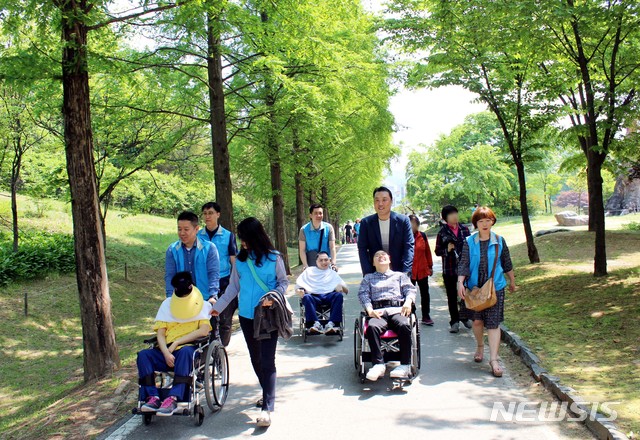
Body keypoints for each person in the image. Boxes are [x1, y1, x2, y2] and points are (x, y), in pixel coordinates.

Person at [211, 217, 289, 428]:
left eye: (245, 238)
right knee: (255, 358)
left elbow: (284, 282)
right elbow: (233, 288)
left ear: (255, 236)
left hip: (268, 316)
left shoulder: (274, 258)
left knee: (267, 360)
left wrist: (273, 297)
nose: (242, 242)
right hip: (246, 316)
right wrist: (216, 308)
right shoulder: (241, 261)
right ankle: (267, 393)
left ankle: (267, 408)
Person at [137, 272, 212, 415]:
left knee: (185, 352)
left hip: (187, 349)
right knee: (143, 355)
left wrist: (177, 342)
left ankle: (173, 398)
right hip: (165, 351)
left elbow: (203, 331)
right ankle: (152, 397)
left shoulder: (202, 304)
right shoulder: (167, 304)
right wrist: (165, 352)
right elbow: (160, 333)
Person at [457, 207, 516, 378]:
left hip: (495, 287)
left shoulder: (499, 240)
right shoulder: (469, 242)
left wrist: (512, 280)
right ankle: (480, 346)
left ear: (492, 221)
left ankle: (494, 360)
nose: (484, 224)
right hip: (475, 289)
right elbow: (464, 263)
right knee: (477, 323)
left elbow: (507, 262)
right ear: (476, 223)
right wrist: (460, 282)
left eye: (488, 220)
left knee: (493, 323)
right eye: (481, 221)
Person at [358, 250, 416, 381]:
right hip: (378, 312)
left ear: (389, 259)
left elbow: (410, 290)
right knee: (372, 327)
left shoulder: (400, 276)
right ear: (373, 263)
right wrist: (369, 309)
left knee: (404, 325)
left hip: (397, 310)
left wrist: (408, 302)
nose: (380, 257)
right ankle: (378, 364)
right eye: (376, 256)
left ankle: (405, 365)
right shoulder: (368, 278)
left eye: (383, 255)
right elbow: (363, 294)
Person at [198, 202, 238, 346]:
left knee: (225, 320)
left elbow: (234, 260)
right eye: (205, 213)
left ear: (218, 215)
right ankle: (209, 350)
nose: (207, 216)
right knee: (208, 319)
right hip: (203, 283)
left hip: (224, 282)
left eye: (210, 213)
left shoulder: (228, 236)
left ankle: (222, 349)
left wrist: (236, 283)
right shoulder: (197, 236)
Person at [357, 186, 414, 276]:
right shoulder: (366, 223)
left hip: (399, 271)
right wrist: (367, 274)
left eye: (384, 200)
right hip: (375, 272)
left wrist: (406, 272)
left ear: (391, 202)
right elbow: (362, 249)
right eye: (377, 200)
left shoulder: (403, 221)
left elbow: (409, 247)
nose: (380, 204)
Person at [165, 211, 220, 304]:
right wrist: (169, 297)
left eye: (186, 229)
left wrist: (213, 296)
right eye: (179, 229)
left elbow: (213, 274)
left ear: (196, 229)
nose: (182, 233)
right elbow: (170, 275)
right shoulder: (172, 250)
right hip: (181, 300)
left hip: (204, 300)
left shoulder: (209, 248)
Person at [434, 205, 471, 333]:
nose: (455, 216)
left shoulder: (464, 230)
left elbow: (471, 247)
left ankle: (464, 316)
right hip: (449, 269)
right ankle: (454, 321)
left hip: (464, 268)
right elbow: (437, 251)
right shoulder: (442, 232)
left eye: (456, 213)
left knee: (465, 294)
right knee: (451, 296)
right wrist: (447, 250)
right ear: (445, 218)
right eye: (451, 214)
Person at [296, 251, 348, 335]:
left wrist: (341, 287)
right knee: (306, 297)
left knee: (339, 296)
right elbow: (298, 286)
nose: (324, 262)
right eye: (321, 260)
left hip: (329, 296)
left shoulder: (332, 273)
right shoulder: (309, 271)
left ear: (329, 261)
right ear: (316, 262)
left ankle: (331, 324)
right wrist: (299, 291)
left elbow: (346, 290)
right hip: (313, 297)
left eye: (326, 260)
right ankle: (315, 324)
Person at [408, 214, 433, 326]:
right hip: (409, 271)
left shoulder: (422, 236)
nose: (412, 226)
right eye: (410, 224)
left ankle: (426, 315)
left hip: (422, 269)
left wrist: (430, 266)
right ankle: (411, 314)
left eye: (414, 224)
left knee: (425, 293)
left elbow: (427, 251)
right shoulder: (404, 237)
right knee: (409, 294)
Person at [298, 204, 337, 270]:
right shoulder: (303, 230)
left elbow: (332, 247)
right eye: (315, 213)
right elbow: (302, 250)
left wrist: (333, 264)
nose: (318, 215)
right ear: (310, 215)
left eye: (320, 213)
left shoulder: (329, 228)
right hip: (311, 264)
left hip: (325, 263)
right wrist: (306, 266)